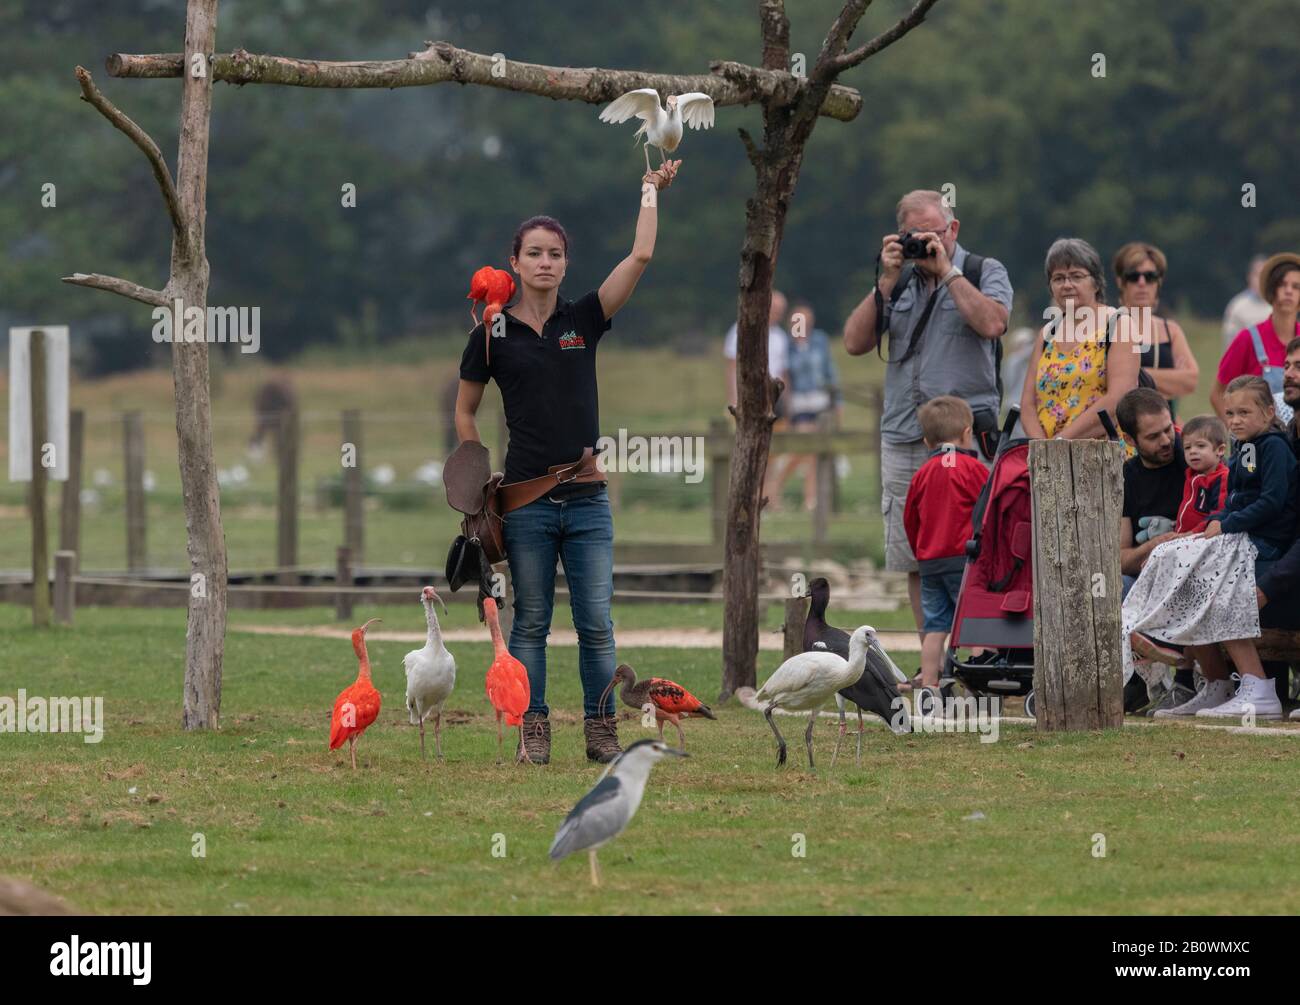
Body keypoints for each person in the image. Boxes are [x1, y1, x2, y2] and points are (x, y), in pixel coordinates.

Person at [454, 159, 682, 764]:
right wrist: (474, 477)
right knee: (530, 625)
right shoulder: (491, 334)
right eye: (534, 253)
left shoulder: (585, 318)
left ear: (565, 262)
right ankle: (534, 730)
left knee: (597, 626)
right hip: (525, 504)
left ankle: (602, 732)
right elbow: (465, 410)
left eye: (555, 253)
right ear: (515, 261)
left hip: (587, 501)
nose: (545, 262)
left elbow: (640, 258)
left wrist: (649, 192)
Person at [843, 189, 1012, 637]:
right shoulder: (898, 281)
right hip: (904, 435)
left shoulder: (982, 271)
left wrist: (949, 274)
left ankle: (980, 648)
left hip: (965, 439)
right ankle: (932, 659)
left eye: (931, 234)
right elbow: (854, 343)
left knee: (975, 547)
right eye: (912, 236)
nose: (923, 244)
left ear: (952, 229)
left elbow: (994, 323)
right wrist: (885, 279)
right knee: (917, 555)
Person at [1135, 377, 1299, 720]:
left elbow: (1272, 501)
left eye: (1244, 412)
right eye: (1230, 413)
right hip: (1240, 535)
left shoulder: (1274, 447)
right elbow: (1235, 499)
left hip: (1264, 542)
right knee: (1174, 560)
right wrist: (1213, 523)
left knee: (1214, 583)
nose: (1235, 420)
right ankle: (1215, 682)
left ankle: (1259, 689)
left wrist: (1227, 524)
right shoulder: (1243, 447)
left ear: (1269, 412)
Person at [903, 396, 989, 692]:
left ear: (927, 441)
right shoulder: (974, 470)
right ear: (968, 433)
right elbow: (989, 512)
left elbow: (910, 520)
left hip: (930, 562)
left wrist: (921, 552)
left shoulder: (920, 475)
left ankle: (929, 687)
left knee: (935, 627)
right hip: (964, 560)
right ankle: (979, 687)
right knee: (975, 623)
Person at [1019, 238, 1140, 443]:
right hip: (1049, 461)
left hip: (1105, 457)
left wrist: (1060, 442)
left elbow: (1118, 399)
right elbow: (1028, 404)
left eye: (1076, 276)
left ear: (1096, 282)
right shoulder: (1047, 334)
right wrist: (1043, 447)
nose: (1067, 285)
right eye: (1058, 278)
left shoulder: (1119, 325)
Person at [1112, 242, 1198, 419]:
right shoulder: (1108, 328)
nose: (1142, 283)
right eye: (1134, 276)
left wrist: (1135, 374)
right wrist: (1170, 381)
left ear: (1158, 283)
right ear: (1121, 282)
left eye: (1150, 276)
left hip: (1167, 430)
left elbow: (1191, 381)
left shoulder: (1170, 331)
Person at [769, 300, 841, 511]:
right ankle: (775, 487)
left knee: (814, 455)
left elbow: (830, 371)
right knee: (802, 450)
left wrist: (837, 401)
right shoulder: (787, 345)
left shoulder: (819, 341)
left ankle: (810, 498)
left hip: (820, 402)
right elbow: (785, 375)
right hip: (799, 404)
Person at [1212, 252, 1300, 420]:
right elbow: (1218, 394)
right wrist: (1239, 436)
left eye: (1296, 286)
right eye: (1282, 284)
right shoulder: (1247, 339)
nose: (1289, 291)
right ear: (1271, 289)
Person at [724, 289, 791, 506]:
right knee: (745, 450)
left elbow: (783, 372)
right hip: (747, 399)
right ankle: (743, 497)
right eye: (776, 309)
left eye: (781, 311)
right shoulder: (739, 330)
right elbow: (731, 367)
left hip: (774, 401)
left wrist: (787, 400)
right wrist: (734, 399)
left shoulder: (781, 337)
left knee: (773, 452)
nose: (778, 314)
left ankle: (769, 496)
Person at [1174, 415, 1229, 534]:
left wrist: (1192, 533)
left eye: (1200, 446)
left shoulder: (1222, 478)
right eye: (1187, 447)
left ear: (1220, 450)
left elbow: (1218, 514)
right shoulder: (1192, 474)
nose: (1192, 451)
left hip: (1202, 540)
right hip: (1182, 536)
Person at [1222, 255, 1271, 348]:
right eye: (1257, 275)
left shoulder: (1279, 306)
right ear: (1249, 277)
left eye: (1265, 275)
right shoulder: (1237, 306)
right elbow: (1230, 345)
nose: (1261, 280)